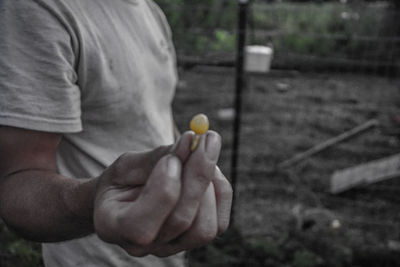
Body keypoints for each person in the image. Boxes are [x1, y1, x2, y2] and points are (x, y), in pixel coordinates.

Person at [0, 0, 233, 266]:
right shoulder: (38, 9)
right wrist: (96, 200)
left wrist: (188, 166)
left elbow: (154, 117)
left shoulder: (149, 10)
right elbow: (16, 184)